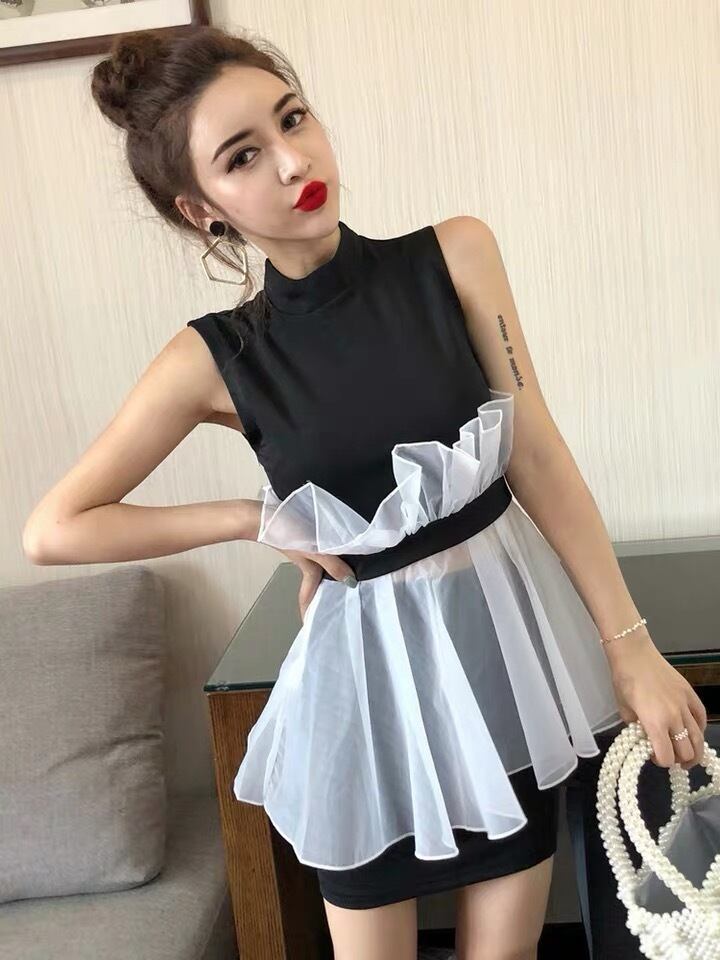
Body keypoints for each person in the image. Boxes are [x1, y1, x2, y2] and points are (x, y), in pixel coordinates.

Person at [22, 23, 708, 960]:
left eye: (292, 118)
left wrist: (630, 648)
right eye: (242, 156)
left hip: (500, 663)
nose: (293, 160)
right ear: (200, 209)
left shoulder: (456, 255)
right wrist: (254, 520)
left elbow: (538, 455)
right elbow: (56, 528)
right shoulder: (217, 356)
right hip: (366, 699)